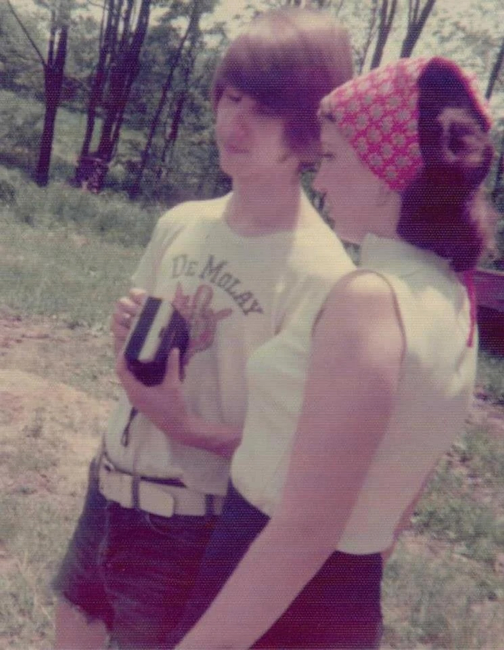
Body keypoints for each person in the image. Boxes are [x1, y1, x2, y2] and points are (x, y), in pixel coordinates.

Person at [166, 57, 497, 649]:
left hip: (270, 586)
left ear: (386, 171)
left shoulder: (370, 298)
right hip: (345, 589)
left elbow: (306, 529)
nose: (318, 181)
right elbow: (396, 505)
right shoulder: (449, 298)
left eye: (336, 159)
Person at [51, 8, 355, 649]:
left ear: (307, 135)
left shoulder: (322, 274)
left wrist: (183, 425)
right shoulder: (182, 222)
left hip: (188, 524)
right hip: (108, 488)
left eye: (265, 110)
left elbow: (296, 453)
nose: (234, 123)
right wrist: (129, 340)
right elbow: (144, 363)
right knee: (72, 626)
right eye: (232, 97)